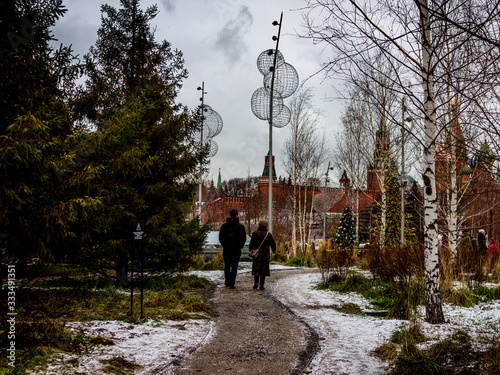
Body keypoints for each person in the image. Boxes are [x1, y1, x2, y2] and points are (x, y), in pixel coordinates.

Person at [219, 209, 247, 289]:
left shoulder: (224, 226)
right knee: (234, 266)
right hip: (236, 250)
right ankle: (232, 282)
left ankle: (227, 281)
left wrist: (225, 245)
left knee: (227, 265)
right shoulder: (240, 227)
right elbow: (243, 238)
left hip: (227, 249)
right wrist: (240, 246)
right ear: (236, 215)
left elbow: (221, 238)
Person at [249, 219, 276, 290]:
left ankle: (256, 283)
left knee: (256, 268)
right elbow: (273, 244)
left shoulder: (255, 234)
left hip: (256, 254)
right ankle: (261, 285)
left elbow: (251, 244)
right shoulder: (268, 234)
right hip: (265, 254)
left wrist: (251, 251)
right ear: (266, 226)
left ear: (259, 225)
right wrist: (274, 251)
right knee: (264, 270)